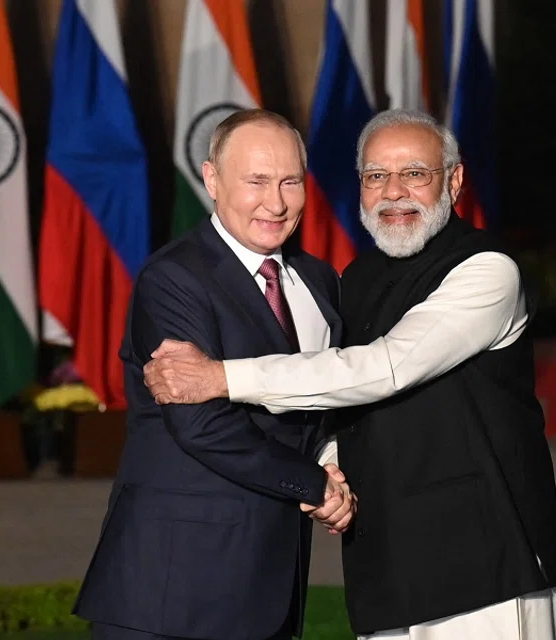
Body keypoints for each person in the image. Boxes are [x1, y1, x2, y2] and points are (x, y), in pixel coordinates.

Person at [143, 109, 556, 640]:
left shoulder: (487, 271)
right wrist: (327, 467)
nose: (394, 192)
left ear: (453, 181)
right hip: (387, 560)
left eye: (415, 173)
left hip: (488, 562)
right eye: (375, 176)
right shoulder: (355, 279)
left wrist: (222, 377)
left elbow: (387, 368)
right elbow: (348, 405)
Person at [73, 109, 356, 640]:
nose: (275, 203)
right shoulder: (174, 278)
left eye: (290, 181)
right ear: (211, 180)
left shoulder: (319, 281)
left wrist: (333, 460)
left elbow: (320, 401)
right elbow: (201, 425)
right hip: (172, 589)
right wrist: (315, 485)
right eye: (255, 182)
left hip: (271, 582)